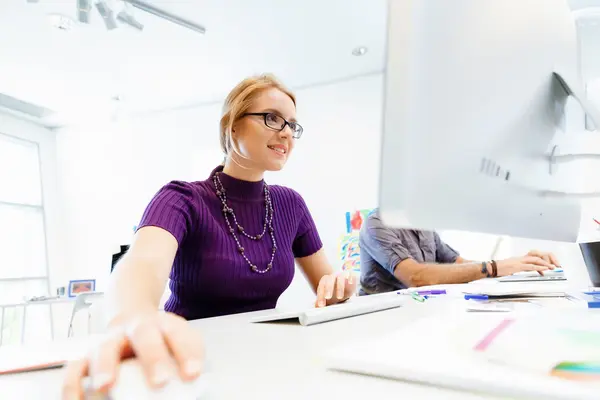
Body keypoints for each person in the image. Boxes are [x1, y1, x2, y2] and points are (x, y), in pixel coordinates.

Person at [62, 74, 357, 399]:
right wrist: (131, 317)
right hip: (189, 366)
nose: (286, 132)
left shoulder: (291, 204)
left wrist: (339, 287)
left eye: (292, 124)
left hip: (265, 364)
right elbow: (142, 262)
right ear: (232, 126)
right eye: (272, 118)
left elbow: (326, 288)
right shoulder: (181, 199)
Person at [358, 209, 560, 295]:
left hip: (417, 310)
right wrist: (494, 268)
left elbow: (460, 264)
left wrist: (517, 265)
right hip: (381, 318)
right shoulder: (376, 223)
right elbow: (416, 277)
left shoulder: (423, 224)